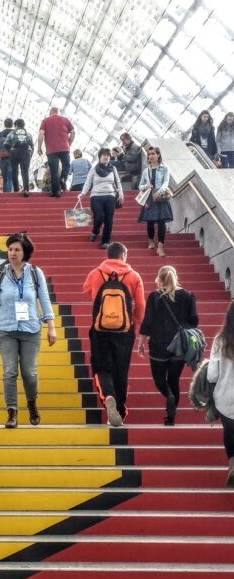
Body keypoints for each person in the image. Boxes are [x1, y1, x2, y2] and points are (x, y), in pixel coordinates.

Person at [0, 232, 56, 428]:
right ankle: (12, 413)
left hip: (30, 329)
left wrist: (51, 327)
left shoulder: (36, 273)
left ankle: (32, 404)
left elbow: (45, 300)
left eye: (17, 249)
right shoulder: (0, 273)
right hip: (5, 328)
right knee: (9, 371)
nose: (12, 253)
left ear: (25, 252)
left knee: (29, 372)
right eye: (10, 249)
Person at [82, 242, 145, 427]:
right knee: (121, 371)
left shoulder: (96, 273)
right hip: (124, 331)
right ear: (123, 256)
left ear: (108, 255)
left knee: (101, 368)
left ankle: (108, 396)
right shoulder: (133, 276)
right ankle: (119, 409)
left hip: (100, 329)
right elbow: (141, 305)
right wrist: (136, 325)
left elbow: (86, 290)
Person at [137, 266, 199, 426]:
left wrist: (141, 342)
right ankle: (170, 418)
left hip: (159, 345)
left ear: (160, 278)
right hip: (180, 345)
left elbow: (148, 322)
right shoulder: (188, 295)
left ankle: (168, 395)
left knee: (159, 380)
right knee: (174, 380)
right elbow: (194, 321)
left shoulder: (155, 296)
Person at [208, 303, 234, 479]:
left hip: (225, 397)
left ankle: (232, 462)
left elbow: (212, 375)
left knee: (229, 432)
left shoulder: (220, 340)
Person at [78, 148, 124, 248]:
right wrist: (83, 193)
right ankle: (95, 230)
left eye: (108, 155)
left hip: (110, 196)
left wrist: (121, 195)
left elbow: (117, 182)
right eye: (104, 155)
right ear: (99, 157)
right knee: (98, 217)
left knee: (108, 219)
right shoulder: (94, 169)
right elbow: (88, 182)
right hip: (96, 196)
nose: (106, 157)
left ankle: (105, 241)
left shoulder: (113, 169)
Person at [138, 146, 173, 257]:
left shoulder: (164, 168)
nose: (151, 156)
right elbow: (140, 186)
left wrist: (160, 191)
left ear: (158, 155)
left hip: (160, 196)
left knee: (162, 222)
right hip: (149, 196)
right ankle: (151, 240)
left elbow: (166, 182)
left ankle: (161, 245)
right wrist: (146, 186)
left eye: (153, 154)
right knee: (150, 221)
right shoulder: (146, 171)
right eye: (149, 154)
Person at [37, 106, 75, 197]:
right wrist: (69, 143)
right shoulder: (65, 120)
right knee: (66, 165)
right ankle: (63, 178)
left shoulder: (45, 121)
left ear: (50, 112)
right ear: (58, 112)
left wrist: (39, 147)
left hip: (51, 150)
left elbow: (41, 134)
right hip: (64, 148)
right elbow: (73, 132)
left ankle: (56, 191)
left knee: (54, 171)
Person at [3, 118, 33, 197]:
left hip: (14, 153)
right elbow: (31, 145)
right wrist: (30, 155)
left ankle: (16, 188)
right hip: (26, 153)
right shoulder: (28, 134)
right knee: (25, 171)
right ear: (24, 125)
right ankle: (26, 189)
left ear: (15, 125)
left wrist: (10, 151)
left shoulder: (12, 133)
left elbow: (5, 144)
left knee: (14, 171)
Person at [0, 118, 15, 193]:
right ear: (12, 124)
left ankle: (5, 194)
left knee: (5, 178)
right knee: (10, 178)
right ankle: (9, 195)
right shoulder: (14, 133)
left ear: (5, 124)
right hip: (12, 158)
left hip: (1, 159)